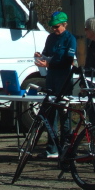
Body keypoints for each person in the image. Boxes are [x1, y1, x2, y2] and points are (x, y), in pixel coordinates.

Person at [33, 11, 77, 159]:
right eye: (52, 27)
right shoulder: (50, 38)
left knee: (65, 113)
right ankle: (52, 148)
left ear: (64, 24)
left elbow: (67, 60)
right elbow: (47, 54)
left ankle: (66, 146)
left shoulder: (70, 39)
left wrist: (50, 62)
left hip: (64, 78)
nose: (54, 29)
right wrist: (41, 57)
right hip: (51, 77)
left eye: (56, 26)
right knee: (51, 113)